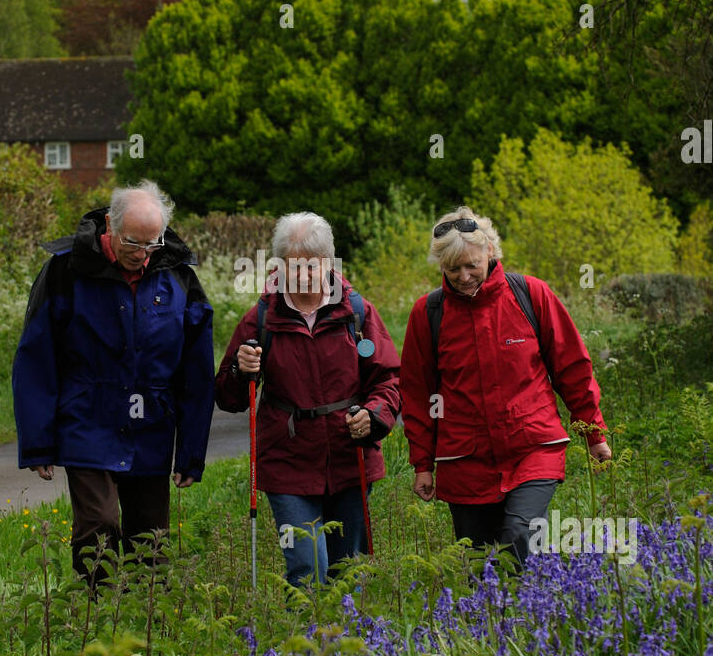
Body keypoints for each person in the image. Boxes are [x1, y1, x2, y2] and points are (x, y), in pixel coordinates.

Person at [12, 180, 214, 579]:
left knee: (150, 544)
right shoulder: (65, 270)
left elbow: (196, 370)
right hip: (87, 420)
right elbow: (36, 355)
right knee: (98, 529)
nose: (142, 255)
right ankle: (99, 621)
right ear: (110, 225)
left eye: (151, 244)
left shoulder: (178, 276)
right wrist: (38, 443)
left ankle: (146, 629)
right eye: (132, 244)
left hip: (152, 427)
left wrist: (191, 453)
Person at [400, 207, 611, 573]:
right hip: (465, 460)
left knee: (519, 535)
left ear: (491, 254)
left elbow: (572, 366)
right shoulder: (428, 313)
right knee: (478, 562)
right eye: (453, 269)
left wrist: (594, 433)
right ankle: (492, 626)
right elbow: (419, 395)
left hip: (532, 446)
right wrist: (423, 464)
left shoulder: (531, 294)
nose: (464, 277)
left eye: (472, 265)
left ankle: (536, 614)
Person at [215, 212, 400, 589]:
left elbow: (388, 379)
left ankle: (351, 646)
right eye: (292, 266)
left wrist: (373, 415)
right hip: (288, 462)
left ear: (328, 265)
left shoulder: (358, 314)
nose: (302, 275)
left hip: (351, 459)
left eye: (311, 266)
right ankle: (307, 647)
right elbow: (229, 398)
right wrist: (241, 368)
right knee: (307, 570)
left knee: (348, 572)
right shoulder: (262, 318)